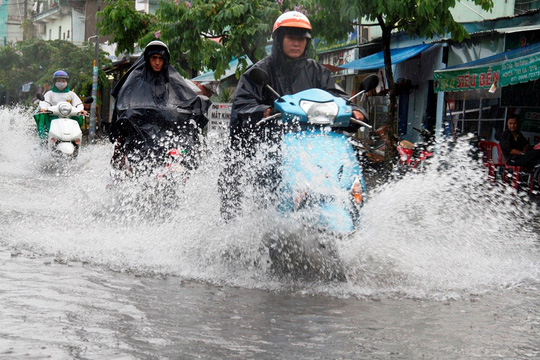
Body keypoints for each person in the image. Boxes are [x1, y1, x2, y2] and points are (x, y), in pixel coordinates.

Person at [219, 11, 368, 220]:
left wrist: (355, 110)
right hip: (270, 144)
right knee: (263, 185)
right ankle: (264, 224)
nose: (297, 43)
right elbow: (243, 106)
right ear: (279, 40)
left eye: (301, 39)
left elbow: (336, 94)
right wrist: (265, 111)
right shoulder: (260, 71)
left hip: (314, 144)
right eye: (292, 38)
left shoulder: (316, 70)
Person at [109, 40, 210, 171]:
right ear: (148, 59)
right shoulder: (136, 78)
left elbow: (185, 96)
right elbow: (124, 100)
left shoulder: (172, 78)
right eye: (154, 58)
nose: (157, 62)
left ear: (165, 61)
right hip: (139, 126)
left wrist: (197, 104)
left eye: (160, 59)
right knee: (124, 127)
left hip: (164, 128)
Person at [35, 70, 87, 139]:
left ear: (66, 82)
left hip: (69, 117)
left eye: (63, 81)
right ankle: (45, 140)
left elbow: (78, 104)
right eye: (59, 81)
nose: (61, 83)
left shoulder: (71, 94)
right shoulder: (50, 94)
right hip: (52, 118)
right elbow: (44, 102)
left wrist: (81, 110)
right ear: (55, 82)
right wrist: (43, 108)